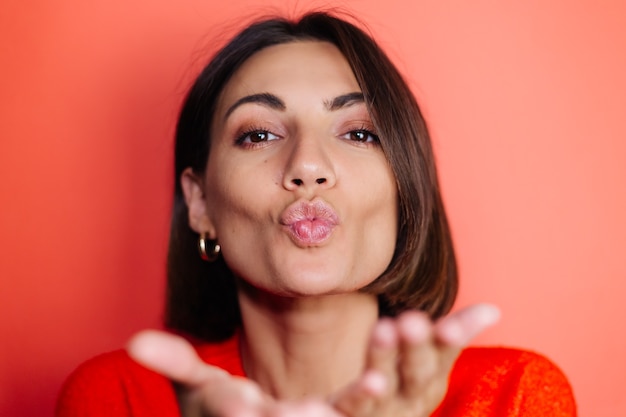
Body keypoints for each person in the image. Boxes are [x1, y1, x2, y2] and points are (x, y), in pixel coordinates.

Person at [56, 11, 577, 417]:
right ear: (199, 203)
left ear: (406, 189)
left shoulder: (515, 395)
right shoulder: (114, 397)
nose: (308, 166)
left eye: (358, 133)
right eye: (259, 134)